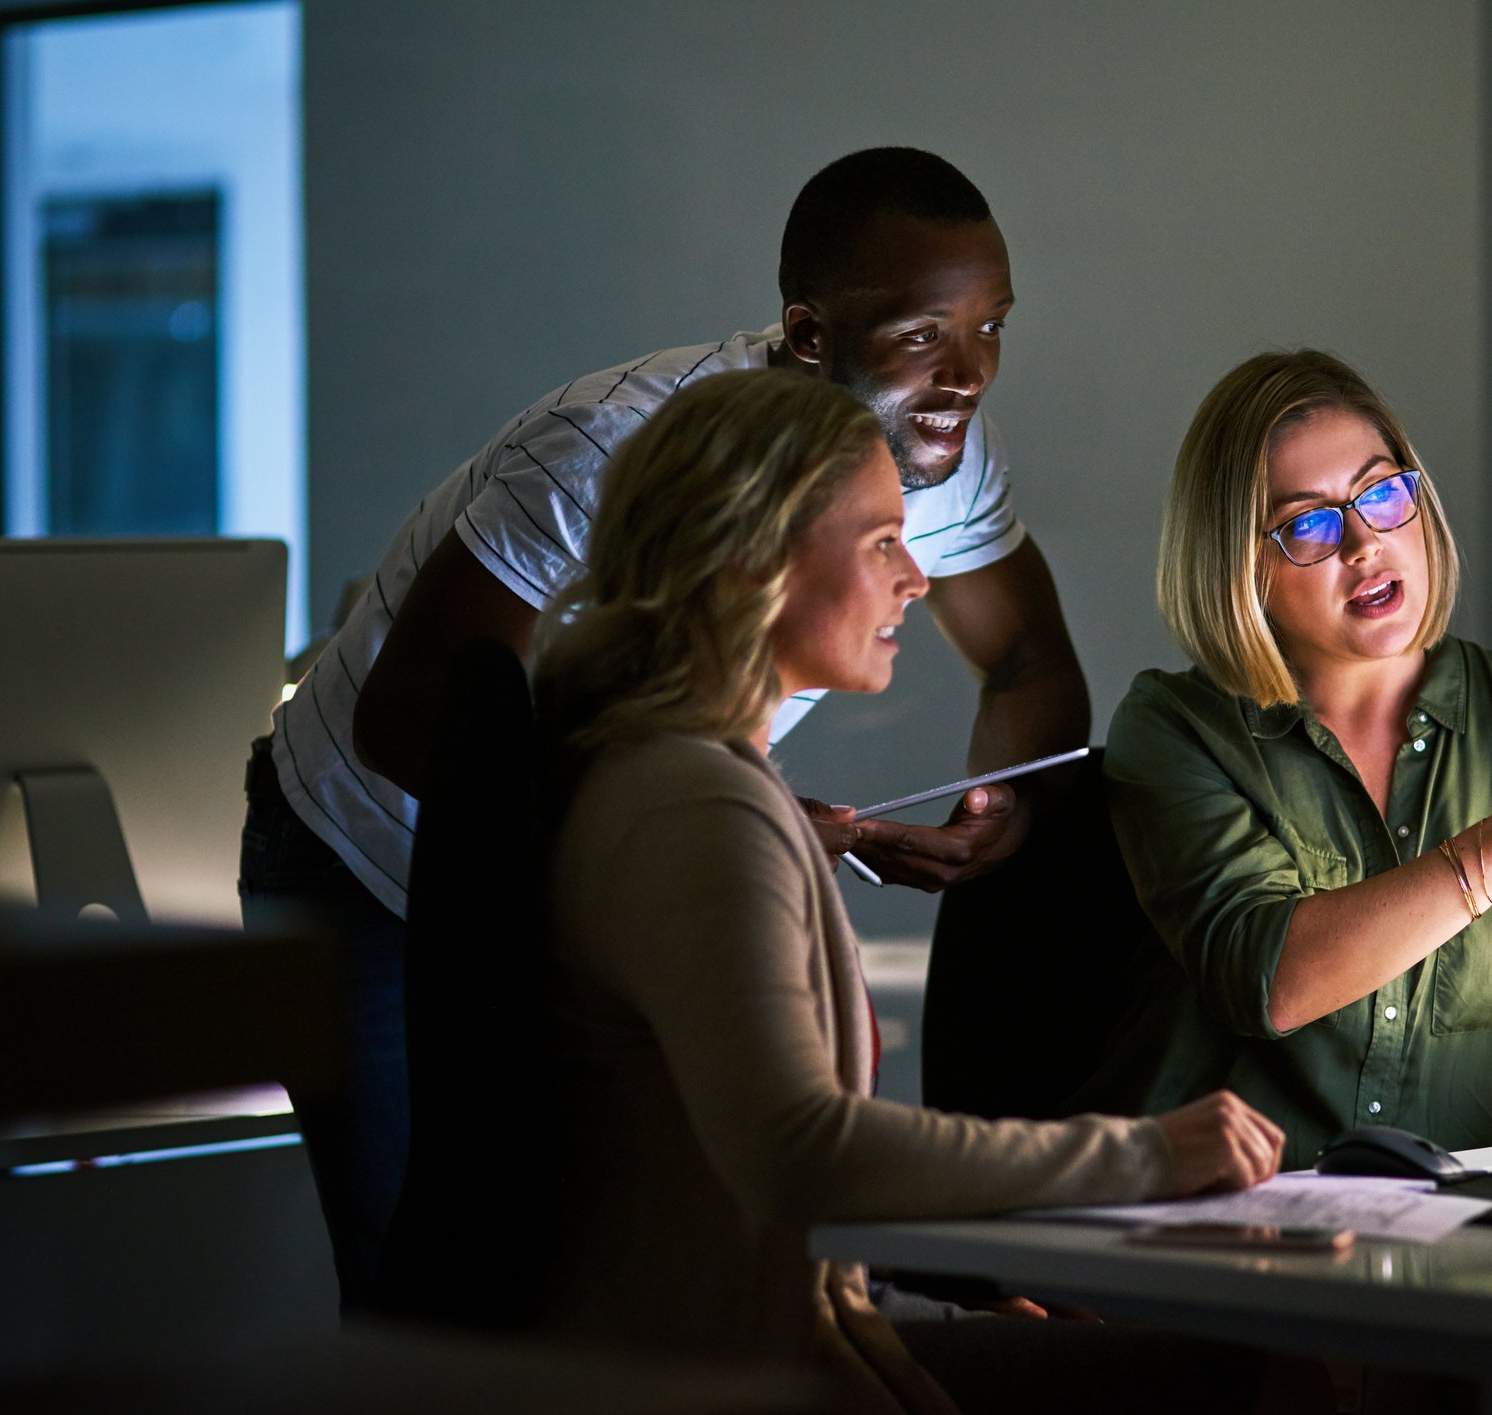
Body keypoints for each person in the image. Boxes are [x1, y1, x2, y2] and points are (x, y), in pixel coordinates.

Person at [239, 148, 1090, 1305]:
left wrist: (1003, 807)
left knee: (617, 1258)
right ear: (806, 332)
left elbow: (1028, 656)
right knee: (432, 1290)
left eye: (990, 327)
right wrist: (734, 815)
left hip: (610, 848)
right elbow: (411, 722)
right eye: (920, 335)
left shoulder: (929, 450)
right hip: (372, 852)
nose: (967, 375)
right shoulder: (606, 451)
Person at [534, 366, 1309, 1415]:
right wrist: (1145, 1152)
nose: (916, 578)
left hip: (782, 1340)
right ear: (752, 555)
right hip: (718, 1378)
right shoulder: (691, 805)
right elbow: (801, 1154)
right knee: (1263, 1373)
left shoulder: (687, 777)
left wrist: (923, 1295)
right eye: (879, 542)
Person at [1079, 349, 1492, 1166]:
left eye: (1382, 492)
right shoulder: (1176, 728)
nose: (1363, 541)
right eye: (1307, 523)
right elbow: (1266, 975)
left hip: (1463, 1247)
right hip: (1239, 1240)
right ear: (1239, 566)